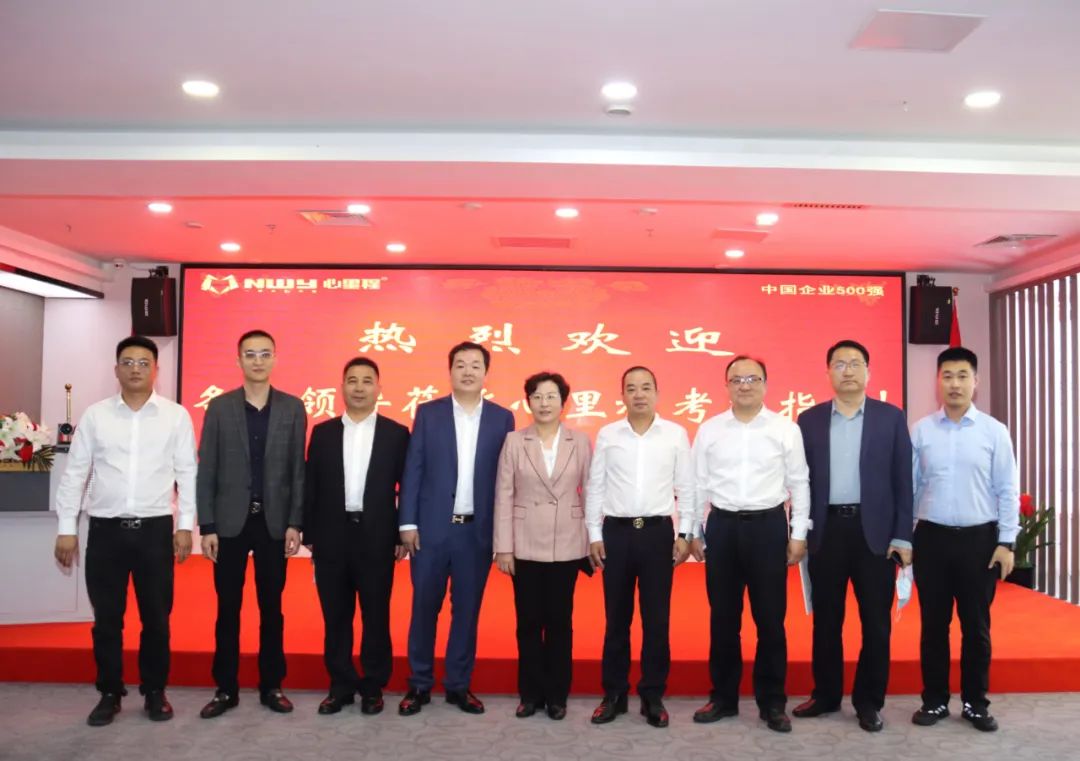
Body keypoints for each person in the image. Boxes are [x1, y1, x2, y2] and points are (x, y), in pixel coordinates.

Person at [53, 335, 197, 726]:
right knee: (107, 619)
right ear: (116, 369)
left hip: (155, 531)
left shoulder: (175, 416)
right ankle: (110, 692)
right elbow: (76, 473)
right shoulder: (96, 416)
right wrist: (67, 528)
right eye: (128, 362)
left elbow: (187, 473)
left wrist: (185, 525)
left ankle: (155, 691)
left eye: (143, 362)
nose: (136, 369)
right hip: (106, 532)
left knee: (156, 618)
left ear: (156, 370)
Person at [792, 340, 913, 732]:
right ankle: (826, 695)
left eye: (855, 363)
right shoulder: (808, 420)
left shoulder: (890, 418)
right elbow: (798, 482)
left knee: (876, 623)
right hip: (826, 532)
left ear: (868, 371)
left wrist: (903, 536)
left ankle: (868, 701)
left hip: (873, 534)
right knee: (827, 620)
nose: (847, 370)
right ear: (828, 372)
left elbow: (903, 481)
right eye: (839, 363)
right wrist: (798, 530)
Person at [690, 355, 810, 733]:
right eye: (737, 379)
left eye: (752, 379)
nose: (745, 385)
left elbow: (800, 483)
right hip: (722, 527)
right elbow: (697, 484)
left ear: (765, 384)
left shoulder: (785, 429)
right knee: (723, 619)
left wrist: (798, 534)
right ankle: (723, 698)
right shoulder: (710, 430)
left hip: (768, 528)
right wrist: (693, 531)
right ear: (726, 385)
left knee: (770, 621)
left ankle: (772, 702)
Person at [397, 341, 515, 716]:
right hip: (430, 532)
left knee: (466, 612)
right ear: (450, 371)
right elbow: (413, 468)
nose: (467, 371)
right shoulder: (428, 413)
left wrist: (503, 536)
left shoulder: (502, 418)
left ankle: (458, 686)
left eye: (475, 365)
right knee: (424, 607)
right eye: (460, 364)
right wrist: (407, 522)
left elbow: (505, 481)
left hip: (475, 533)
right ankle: (419, 684)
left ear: (485, 373)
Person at [196, 329, 307, 718]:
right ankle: (225, 689)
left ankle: (271, 685)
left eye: (264, 354)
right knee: (228, 608)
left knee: (271, 608)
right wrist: (207, 525)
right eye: (250, 354)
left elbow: (297, 471)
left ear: (275, 358)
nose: (257, 361)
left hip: (273, 524)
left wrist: (295, 522)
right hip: (229, 524)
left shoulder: (292, 408)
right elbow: (207, 468)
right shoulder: (220, 407)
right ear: (238, 360)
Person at [910, 346, 1019, 733]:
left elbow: (1007, 489)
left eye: (962, 376)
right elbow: (910, 488)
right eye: (947, 376)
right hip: (932, 540)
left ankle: (975, 703)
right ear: (937, 382)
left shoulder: (994, 431)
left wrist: (1006, 542)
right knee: (933, 626)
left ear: (976, 381)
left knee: (976, 627)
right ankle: (935, 700)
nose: (954, 384)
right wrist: (904, 538)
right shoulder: (921, 430)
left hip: (979, 542)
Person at [586, 366, 695, 729]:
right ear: (622, 395)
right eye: (631, 388)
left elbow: (687, 488)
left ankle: (652, 695)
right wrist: (593, 533)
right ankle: (614, 694)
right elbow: (596, 485)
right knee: (616, 619)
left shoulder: (675, 434)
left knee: (656, 619)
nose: (639, 394)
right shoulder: (608, 434)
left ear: (657, 393)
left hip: (657, 534)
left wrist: (685, 533)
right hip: (616, 534)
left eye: (646, 387)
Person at [303, 357, 410, 716]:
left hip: (377, 535)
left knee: (376, 613)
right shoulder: (323, 433)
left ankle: (373, 685)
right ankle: (341, 685)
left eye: (367, 381)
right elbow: (311, 486)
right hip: (331, 535)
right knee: (336, 615)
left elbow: (407, 487)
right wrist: (310, 533)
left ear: (379, 388)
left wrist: (400, 533)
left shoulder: (396, 434)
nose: (359, 387)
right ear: (342, 387)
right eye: (352, 380)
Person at [493, 371, 592, 721]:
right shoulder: (514, 441)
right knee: (528, 622)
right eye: (537, 396)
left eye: (551, 396)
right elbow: (504, 494)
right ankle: (530, 694)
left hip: (567, 541)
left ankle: (557, 696)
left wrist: (592, 539)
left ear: (563, 402)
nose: (544, 403)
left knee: (561, 622)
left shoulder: (580, 441)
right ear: (528, 402)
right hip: (525, 543)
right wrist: (504, 547)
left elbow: (591, 491)